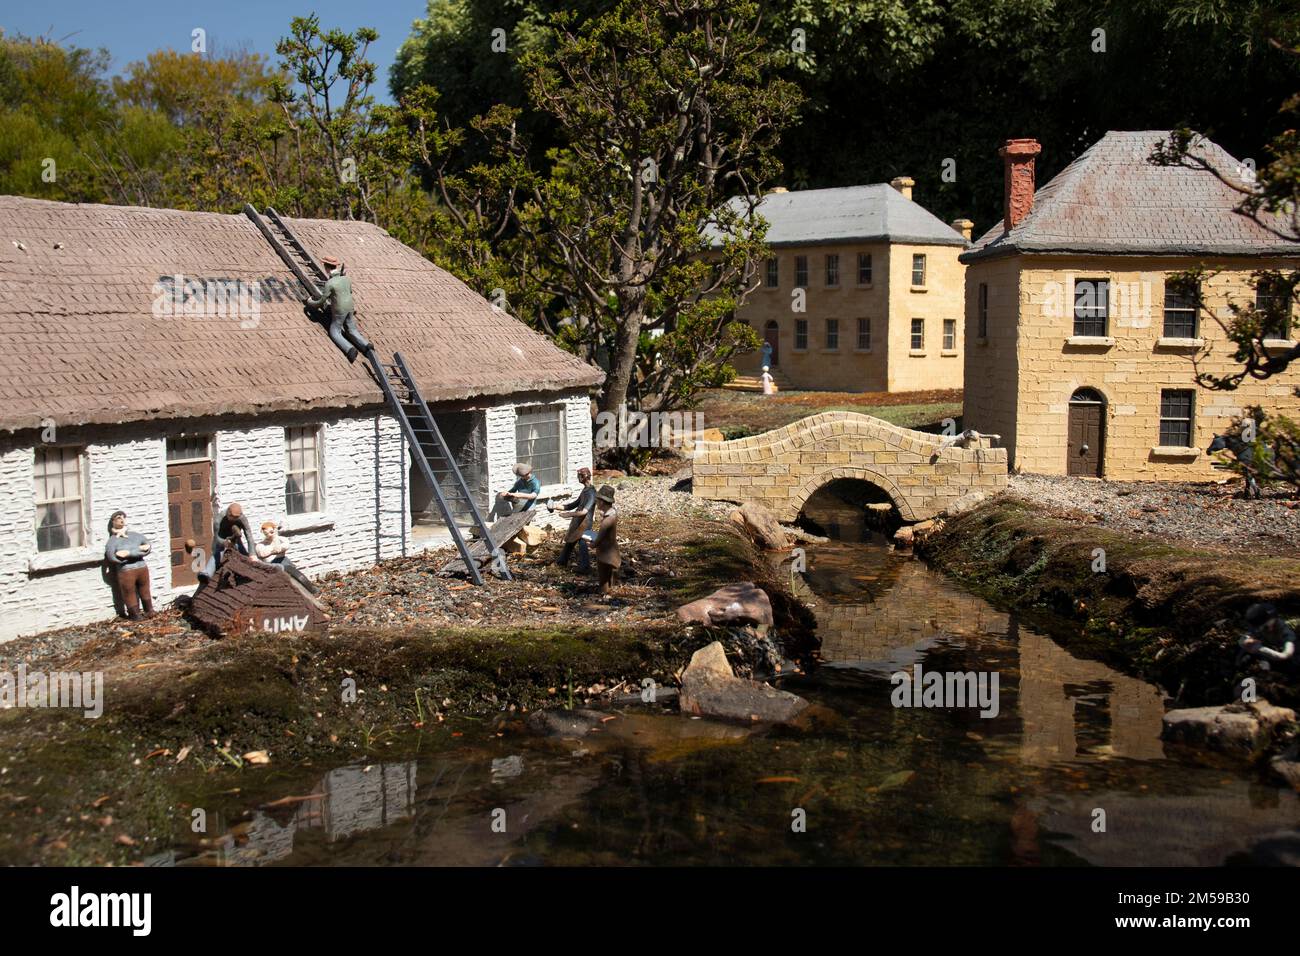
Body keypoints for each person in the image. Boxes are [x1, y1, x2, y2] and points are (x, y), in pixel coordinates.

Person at [304, 256, 372, 363]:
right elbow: (349, 292)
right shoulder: (346, 279)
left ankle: (349, 350)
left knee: (335, 331)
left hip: (339, 310)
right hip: (350, 307)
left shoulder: (330, 283)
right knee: (352, 329)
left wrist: (310, 302)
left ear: (326, 267)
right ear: (336, 266)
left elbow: (321, 301)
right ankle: (366, 345)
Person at [104, 510, 154, 619]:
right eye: (118, 518)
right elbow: (112, 556)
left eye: (123, 518)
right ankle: (134, 614)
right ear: (113, 522)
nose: (122, 520)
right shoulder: (112, 541)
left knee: (145, 588)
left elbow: (147, 546)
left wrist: (129, 553)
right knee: (129, 591)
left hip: (141, 567)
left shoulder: (135, 536)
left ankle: (149, 610)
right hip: (126, 570)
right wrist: (138, 551)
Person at [197, 501, 257, 581]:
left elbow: (248, 535)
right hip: (221, 537)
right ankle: (207, 573)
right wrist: (224, 542)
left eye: (236, 518)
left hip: (234, 537)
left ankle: (250, 570)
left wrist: (252, 553)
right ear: (228, 512)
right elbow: (216, 537)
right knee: (218, 552)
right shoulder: (218, 520)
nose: (233, 519)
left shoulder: (242, 518)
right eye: (231, 516)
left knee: (242, 550)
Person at [254, 520, 317, 594]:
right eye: (266, 533)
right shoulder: (261, 545)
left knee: (296, 575)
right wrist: (272, 550)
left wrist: (277, 542)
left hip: (283, 560)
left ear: (275, 530)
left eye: (271, 532)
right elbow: (262, 553)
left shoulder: (280, 539)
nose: (270, 535)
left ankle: (310, 589)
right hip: (272, 564)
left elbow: (286, 544)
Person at [550, 467, 595, 572]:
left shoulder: (591, 493)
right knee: (570, 541)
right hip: (578, 521)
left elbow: (584, 511)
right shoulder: (585, 490)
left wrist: (569, 514)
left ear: (585, 477)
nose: (578, 478)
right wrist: (556, 506)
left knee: (582, 543)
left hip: (585, 523)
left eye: (579, 476)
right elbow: (573, 505)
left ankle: (585, 567)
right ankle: (561, 561)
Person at [1238, 602, 1298, 674]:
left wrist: (1284, 654)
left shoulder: (1283, 628)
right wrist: (1247, 641)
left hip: (1286, 649)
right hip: (1268, 648)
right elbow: (1245, 638)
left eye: (1266, 627)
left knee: (1294, 665)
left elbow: (1287, 653)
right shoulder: (1258, 627)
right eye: (1264, 628)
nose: (1269, 629)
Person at [592, 484, 620, 595]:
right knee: (609, 574)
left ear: (602, 502)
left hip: (605, 553)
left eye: (597, 500)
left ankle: (604, 593)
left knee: (603, 576)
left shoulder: (607, 520)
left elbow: (599, 538)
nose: (596, 503)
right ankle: (610, 591)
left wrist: (592, 544)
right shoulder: (612, 513)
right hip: (612, 549)